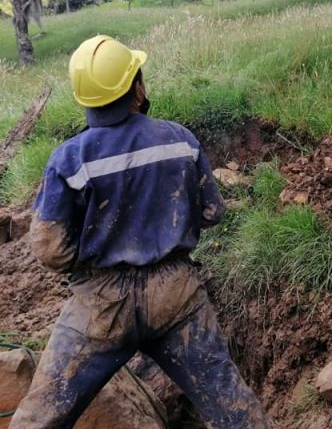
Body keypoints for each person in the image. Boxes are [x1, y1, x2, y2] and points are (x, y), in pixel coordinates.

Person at [11, 36, 272, 429]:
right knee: (232, 407)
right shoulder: (179, 139)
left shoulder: (69, 159)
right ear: (137, 88)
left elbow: (51, 250)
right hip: (177, 298)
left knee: (39, 417)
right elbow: (213, 211)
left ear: (84, 97)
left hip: (100, 308)